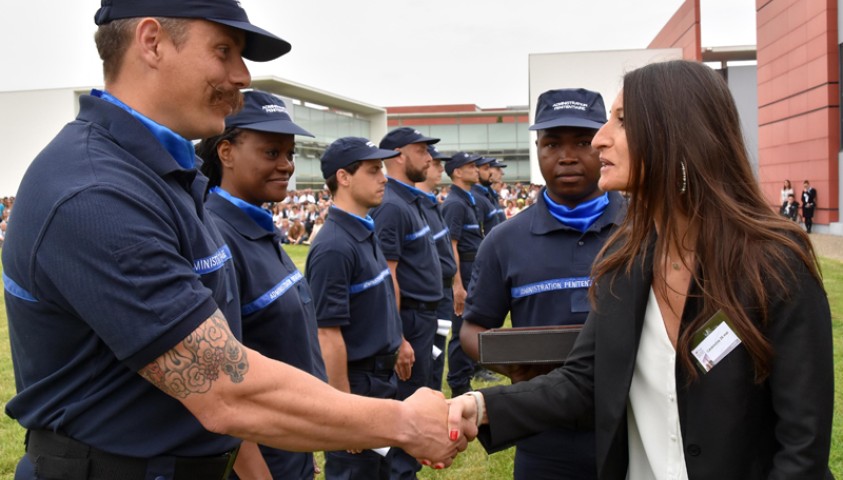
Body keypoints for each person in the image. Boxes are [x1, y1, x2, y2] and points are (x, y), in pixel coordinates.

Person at [2, 2, 467, 479]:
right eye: (223, 51)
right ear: (152, 41)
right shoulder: (95, 191)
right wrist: (401, 421)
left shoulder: (162, 178)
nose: (242, 75)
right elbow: (225, 387)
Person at [447, 60, 833, 479]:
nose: (598, 140)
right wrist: (482, 406)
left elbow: (802, 445)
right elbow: (584, 379)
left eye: (622, 121)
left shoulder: (773, 261)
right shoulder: (624, 261)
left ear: (679, 133)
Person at [460, 88, 625, 480]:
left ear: (603, 142)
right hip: (544, 436)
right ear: (537, 148)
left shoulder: (642, 229)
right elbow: (472, 328)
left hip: (630, 426)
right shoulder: (504, 241)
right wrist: (510, 365)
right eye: (551, 143)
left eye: (582, 142)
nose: (566, 156)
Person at [195, 89, 328, 479]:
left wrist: (304, 444)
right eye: (271, 153)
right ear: (226, 152)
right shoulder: (215, 238)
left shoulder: (256, 226)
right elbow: (222, 380)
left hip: (289, 446)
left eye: (289, 154)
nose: (286, 165)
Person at [305, 137, 405, 480]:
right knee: (356, 471)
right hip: (358, 384)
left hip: (380, 379)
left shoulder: (363, 230)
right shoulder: (334, 246)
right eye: (374, 169)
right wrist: (343, 413)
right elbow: (327, 333)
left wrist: (400, 340)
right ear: (344, 177)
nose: (384, 177)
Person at [370, 127, 444, 480]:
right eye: (421, 149)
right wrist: (397, 336)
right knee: (405, 406)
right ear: (398, 154)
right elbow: (388, 275)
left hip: (423, 317)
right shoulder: (392, 206)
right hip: (408, 319)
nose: (429, 157)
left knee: (417, 399)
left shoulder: (410, 200)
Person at [441, 152, 484, 397]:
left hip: (472, 269)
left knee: (472, 323)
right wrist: (457, 285)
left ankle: (466, 374)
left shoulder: (467, 200)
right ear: (457, 171)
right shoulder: (455, 204)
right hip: (463, 270)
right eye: (470, 166)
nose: (476, 170)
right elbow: (451, 246)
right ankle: (458, 383)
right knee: (461, 327)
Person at [416, 145, 458, 393]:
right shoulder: (415, 206)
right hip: (427, 299)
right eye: (435, 162)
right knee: (427, 359)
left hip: (441, 294)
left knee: (436, 354)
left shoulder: (431, 204)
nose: (441, 167)